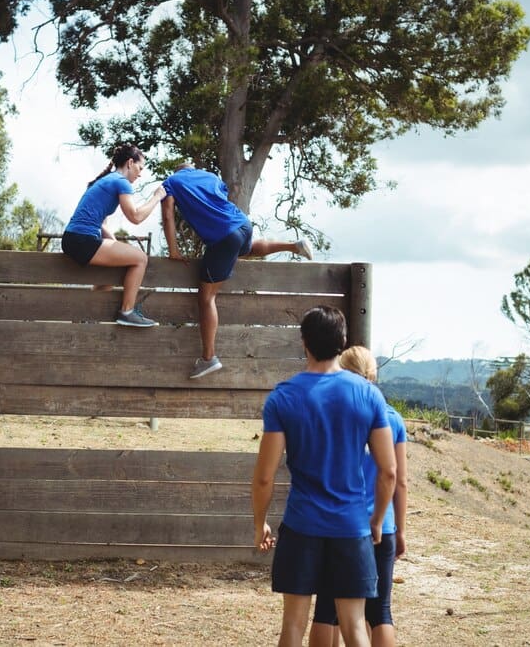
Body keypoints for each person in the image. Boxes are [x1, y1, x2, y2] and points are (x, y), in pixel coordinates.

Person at [252, 306, 397, 647]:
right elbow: (389, 471)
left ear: (304, 342)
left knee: (292, 625)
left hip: (302, 526)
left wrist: (260, 523)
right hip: (352, 527)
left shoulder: (283, 397)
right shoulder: (368, 395)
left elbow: (263, 478)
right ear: (342, 342)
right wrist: (376, 520)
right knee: (355, 626)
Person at [160, 164, 313, 378]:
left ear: (177, 171)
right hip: (242, 224)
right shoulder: (209, 176)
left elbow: (168, 215)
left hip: (223, 236)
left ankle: (208, 358)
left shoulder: (172, 182)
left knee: (206, 298)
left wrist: (174, 251)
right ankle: (293, 246)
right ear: (192, 170)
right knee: (247, 249)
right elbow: (221, 197)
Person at [308, 346, 409, 647]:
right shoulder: (392, 418)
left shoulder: (329, 412)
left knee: (327, 608)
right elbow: (399, 480)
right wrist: (400, 529)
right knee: (381, 611)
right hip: (383, 526)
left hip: (338, 522)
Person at [62, 144, 166, 327]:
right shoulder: (121, 182)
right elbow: (135, 217)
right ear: (130, 163)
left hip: (74, 238)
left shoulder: (106, 180)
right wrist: (156, 197)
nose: (140, 174)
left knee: (110, 274)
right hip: (83, 239)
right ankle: (127, 312)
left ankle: (86, 318)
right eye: (140, 168)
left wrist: (116, 246)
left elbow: (101, 224)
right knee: (141, 259)